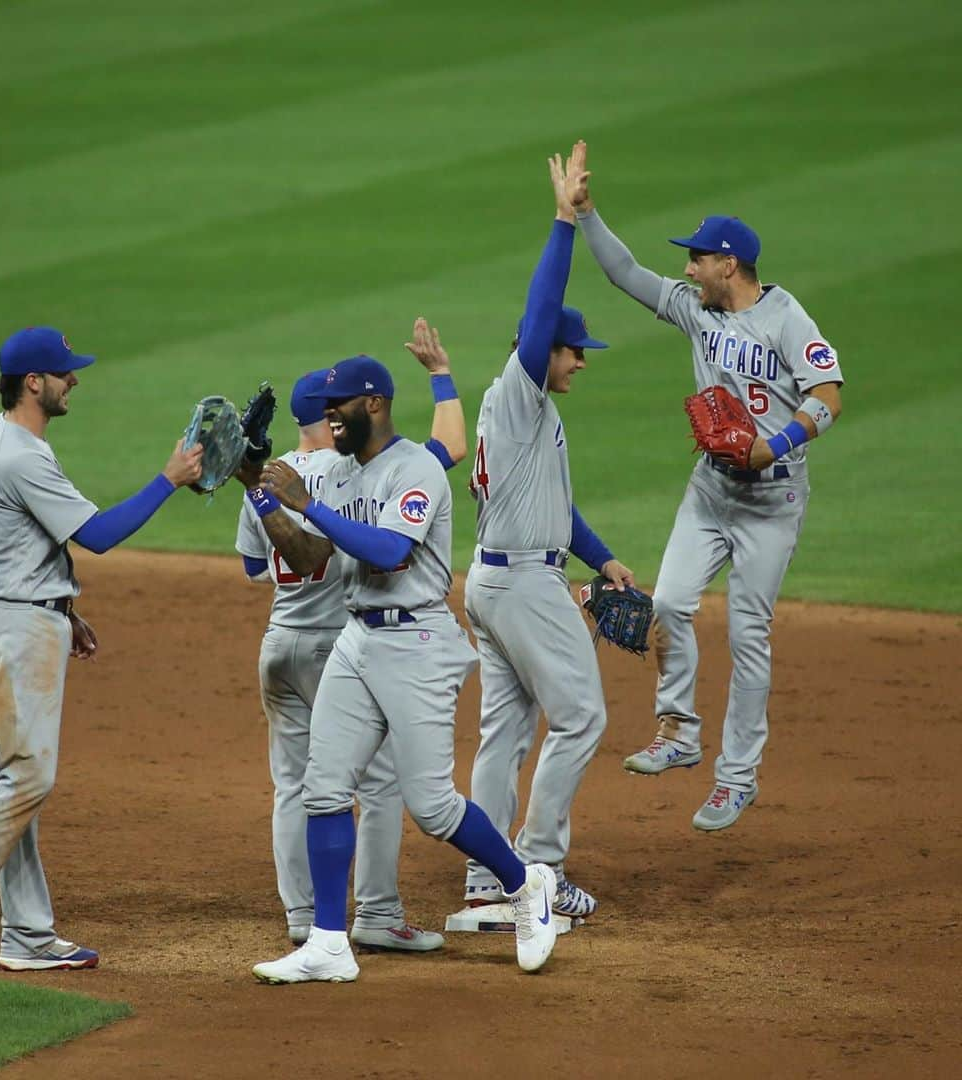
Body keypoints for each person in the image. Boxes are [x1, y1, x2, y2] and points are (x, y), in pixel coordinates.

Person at [248, 349, 560, 984]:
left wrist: (309, 504)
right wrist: (256, 487)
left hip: (416, 642)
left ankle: (526, 884)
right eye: (326, 405)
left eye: (339, 404)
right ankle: (329, 942)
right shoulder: (335, 474)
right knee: (324, 788)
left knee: (433, 807)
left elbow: (390, 551)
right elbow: (311, 559)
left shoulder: (416, 469)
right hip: (356, 639)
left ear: (376, 404)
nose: (328, 414)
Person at [565, 140, 844, 831]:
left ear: (731, 265)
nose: (687, 268)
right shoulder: (696, 308)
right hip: (711, 490)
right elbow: (626, 274)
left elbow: (829, 395)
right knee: (669, 607)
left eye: (698, 258)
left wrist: (772, 443)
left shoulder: (787, 317)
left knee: (749, 635)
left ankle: (737, 777)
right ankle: (679, 733)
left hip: (772, 499)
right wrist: (587, 214)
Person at [0, 326, 203, 973]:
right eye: (65, 372)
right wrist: (169, 479)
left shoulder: (1, 435)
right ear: (33, 382)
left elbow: (23, 542)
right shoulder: (22, 455)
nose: (76, 380)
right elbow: (98, 534)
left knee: (19, 779)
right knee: (27, 777)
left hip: (18, 616)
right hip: (12, 629)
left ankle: (29, 934)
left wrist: (63, 607)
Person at [235, 318, 466, 952]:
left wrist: (248, 478)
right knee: (383, 784)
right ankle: (376, 913)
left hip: (280, 640)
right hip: (344, 644)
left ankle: (305, 919)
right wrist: (442, 378)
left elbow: (262, 566)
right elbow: (449, 447)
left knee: (299, 785)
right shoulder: (340, 473)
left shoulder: (277, 477)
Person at [460, 146, 634, 921]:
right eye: (574, 350)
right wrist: (564, 222)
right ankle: (537, 871)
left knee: (506, 732)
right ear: (542, 352)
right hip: (523, 586)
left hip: (498, 582)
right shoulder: (519, 391)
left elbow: (556, 515)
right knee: (583, 717)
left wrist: (602, 558)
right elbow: (538, 313)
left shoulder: (531, 416)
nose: (581, 364)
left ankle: (488, 878)